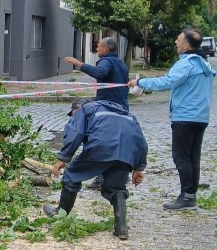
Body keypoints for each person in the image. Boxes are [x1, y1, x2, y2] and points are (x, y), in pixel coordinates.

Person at [127, 29, 216, 210]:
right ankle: (190, 196)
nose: (176, 42)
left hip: (185, 116)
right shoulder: (203, 63)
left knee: (181, 156)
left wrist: (140, 82)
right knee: (193, 158)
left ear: (186, 45)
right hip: (200, 117)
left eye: (178, 39)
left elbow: (167, 82)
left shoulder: (186, 63)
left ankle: (186, 197)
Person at [45, 97, 147, 241]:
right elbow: (141, 141)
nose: (72, 118)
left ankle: (60, 214)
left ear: (78, 107)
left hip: (100, 147)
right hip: (126, 152)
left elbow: (75, 133)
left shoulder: (85, 109)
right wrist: (139, 167)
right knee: (116, 187)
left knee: (72, 174)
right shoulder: (128, 115)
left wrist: (63, 158)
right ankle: (121, 228)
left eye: (73, 114)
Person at [63, 37, 130, 190]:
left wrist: (79, 64)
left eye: (98, 46)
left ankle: (101, 176)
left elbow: (100, 73)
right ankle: (119, 174)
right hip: (122, 107)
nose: (97, 49)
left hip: (108, 109)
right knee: (116, 141)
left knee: (101, 141)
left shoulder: (107, 62)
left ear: (106, 49)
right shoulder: (121, 63)